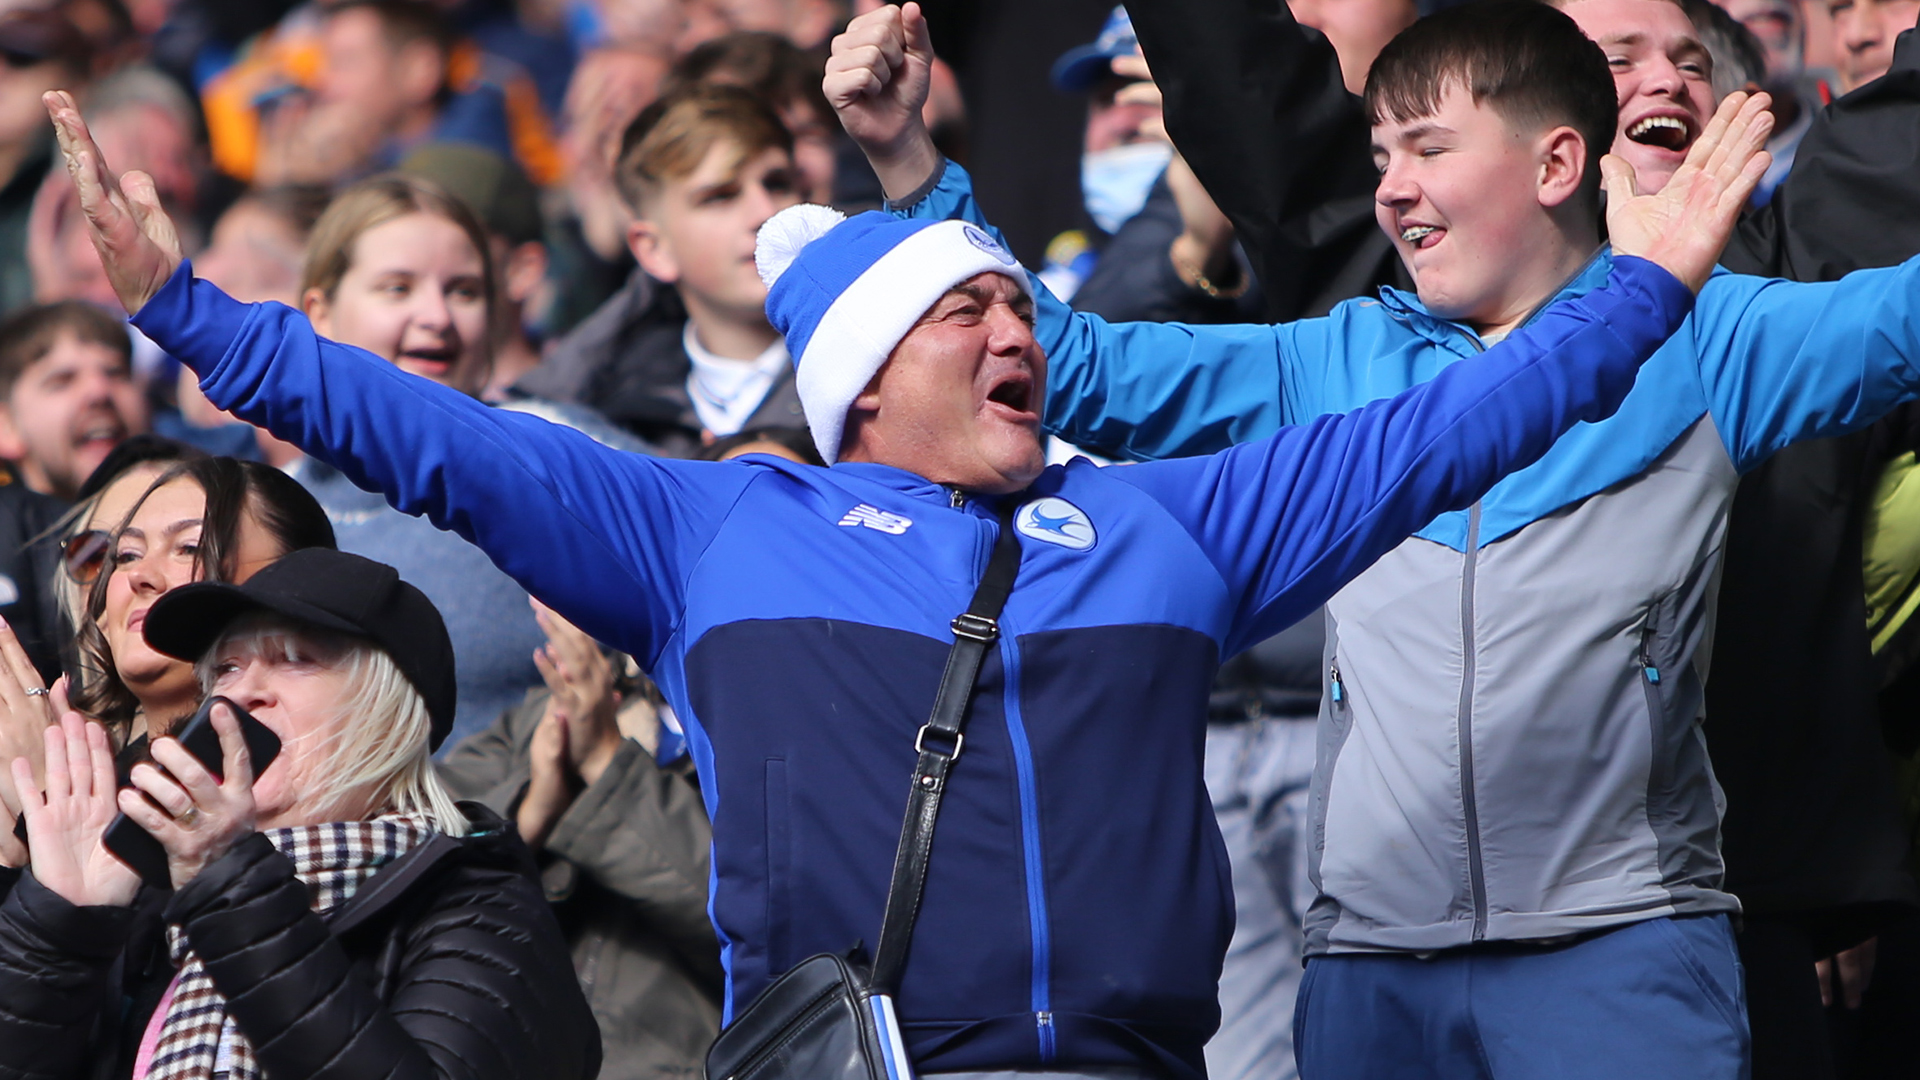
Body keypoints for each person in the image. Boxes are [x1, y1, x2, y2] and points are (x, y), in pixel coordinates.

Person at [46, 56, 1767, 1077]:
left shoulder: (1165, 524)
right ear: (865, 379)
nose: (1018, 329)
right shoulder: (714, 532)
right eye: (971, 309)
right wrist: (189, 313)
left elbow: (1452, 429)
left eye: (1021, 304)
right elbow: (442, 439)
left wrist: (1644, 288)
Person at [832, 2, 1920, 1076]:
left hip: (1623, 951)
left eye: (1429, 149)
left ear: (1555, 165)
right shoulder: (1338, 360)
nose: (1392, 187)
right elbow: (1070, 364)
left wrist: (1659, 286)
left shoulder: (1712, 334)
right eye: (1382, 154)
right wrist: (909, 161)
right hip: (1368, 970)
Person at [0, 546, 601, 1078]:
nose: (243, 692)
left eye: (295, 659)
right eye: (226, 669)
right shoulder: (160, 906)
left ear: (389, 711)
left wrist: (229, 888)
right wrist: (62, 931)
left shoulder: (484, 907)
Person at [285, 172, 568, 747]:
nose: (437, 316)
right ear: (320, 312)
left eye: (464, 291)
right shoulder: (272, 504)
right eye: (398, 288)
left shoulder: (560, 453)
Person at [438, 599, 721, 1080]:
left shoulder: (769, 735)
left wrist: (606, 762)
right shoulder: (561, 702)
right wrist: (534, 810)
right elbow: (404, 846)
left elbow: (761, 923)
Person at [521, 85, 809, 454]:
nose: (765, 212)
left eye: (778, 184)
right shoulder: (612, 415)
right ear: (654, 250)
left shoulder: (867, 376)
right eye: (720, 196)